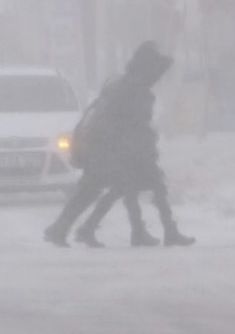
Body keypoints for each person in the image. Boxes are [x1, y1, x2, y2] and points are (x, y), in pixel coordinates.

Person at [44, 40, 195, 248]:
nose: (158, 78)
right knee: (121, 189)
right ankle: (144, 232)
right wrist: (138, 149)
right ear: (147, 70)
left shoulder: (123, 86)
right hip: (116, 152)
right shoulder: (132, 91)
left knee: (115, 189)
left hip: (111, 151)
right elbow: (129, 124)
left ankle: (76, 229)